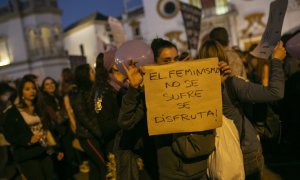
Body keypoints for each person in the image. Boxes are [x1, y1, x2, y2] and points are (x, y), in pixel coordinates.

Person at [118, 38, 228, 179]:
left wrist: (215, 83)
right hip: (174, 174)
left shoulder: (193, 85)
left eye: (176, 59)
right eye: (167, 61)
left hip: (202, 168)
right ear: (154, 64)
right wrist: (133, 90)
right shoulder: (148, 94)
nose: (174, 65)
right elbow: (126, 122)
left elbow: (212, 113)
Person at [198, 39, 286, 179]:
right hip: (245, 152)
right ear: (224, 57)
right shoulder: (232, 83)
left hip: (219, 154)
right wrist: (276, 60)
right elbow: (275, 92)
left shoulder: (197, 92)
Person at [3, 77, 58, 180]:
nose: (32, 91)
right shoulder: (13, 112)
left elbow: (47, 128)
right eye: (27, 89)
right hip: (27, 154)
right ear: (21, 92)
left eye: (33, 88)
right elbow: (9, 134)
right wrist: (28, 140)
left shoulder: (40, 107)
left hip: (44, 150)